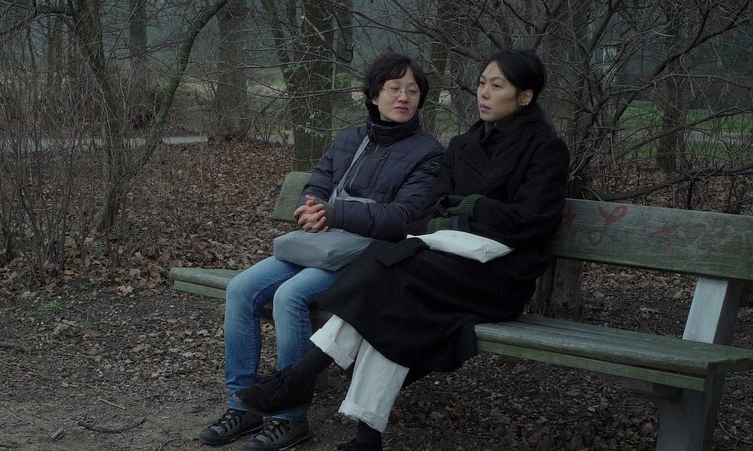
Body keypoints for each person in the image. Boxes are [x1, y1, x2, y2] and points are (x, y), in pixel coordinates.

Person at [234, 48, 570, 451]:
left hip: (501, 275)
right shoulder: (463, 145)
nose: (484, 93)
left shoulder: (545, 149)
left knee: (394, 277)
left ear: (525, 96)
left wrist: (468, 207)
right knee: (395, 296)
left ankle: (302, 377)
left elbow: (531, 223)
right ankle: (363, 437)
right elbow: (426, 214)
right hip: (445, 262)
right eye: (482, 83)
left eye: (497, 86)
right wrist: (465, 214)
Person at [197, 53, 445, 450]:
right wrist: (310, 208)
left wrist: (335, 213)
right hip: (322, 244)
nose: (404, 97)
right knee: (241, 288)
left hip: (369, 256)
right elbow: (317, 182)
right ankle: (242, 405)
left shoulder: (428, 153)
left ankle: (290, 416)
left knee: (291, 295)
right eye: (394, 89)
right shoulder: (349, 139)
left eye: (412, 91)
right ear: (373, 95)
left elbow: (403, 219)